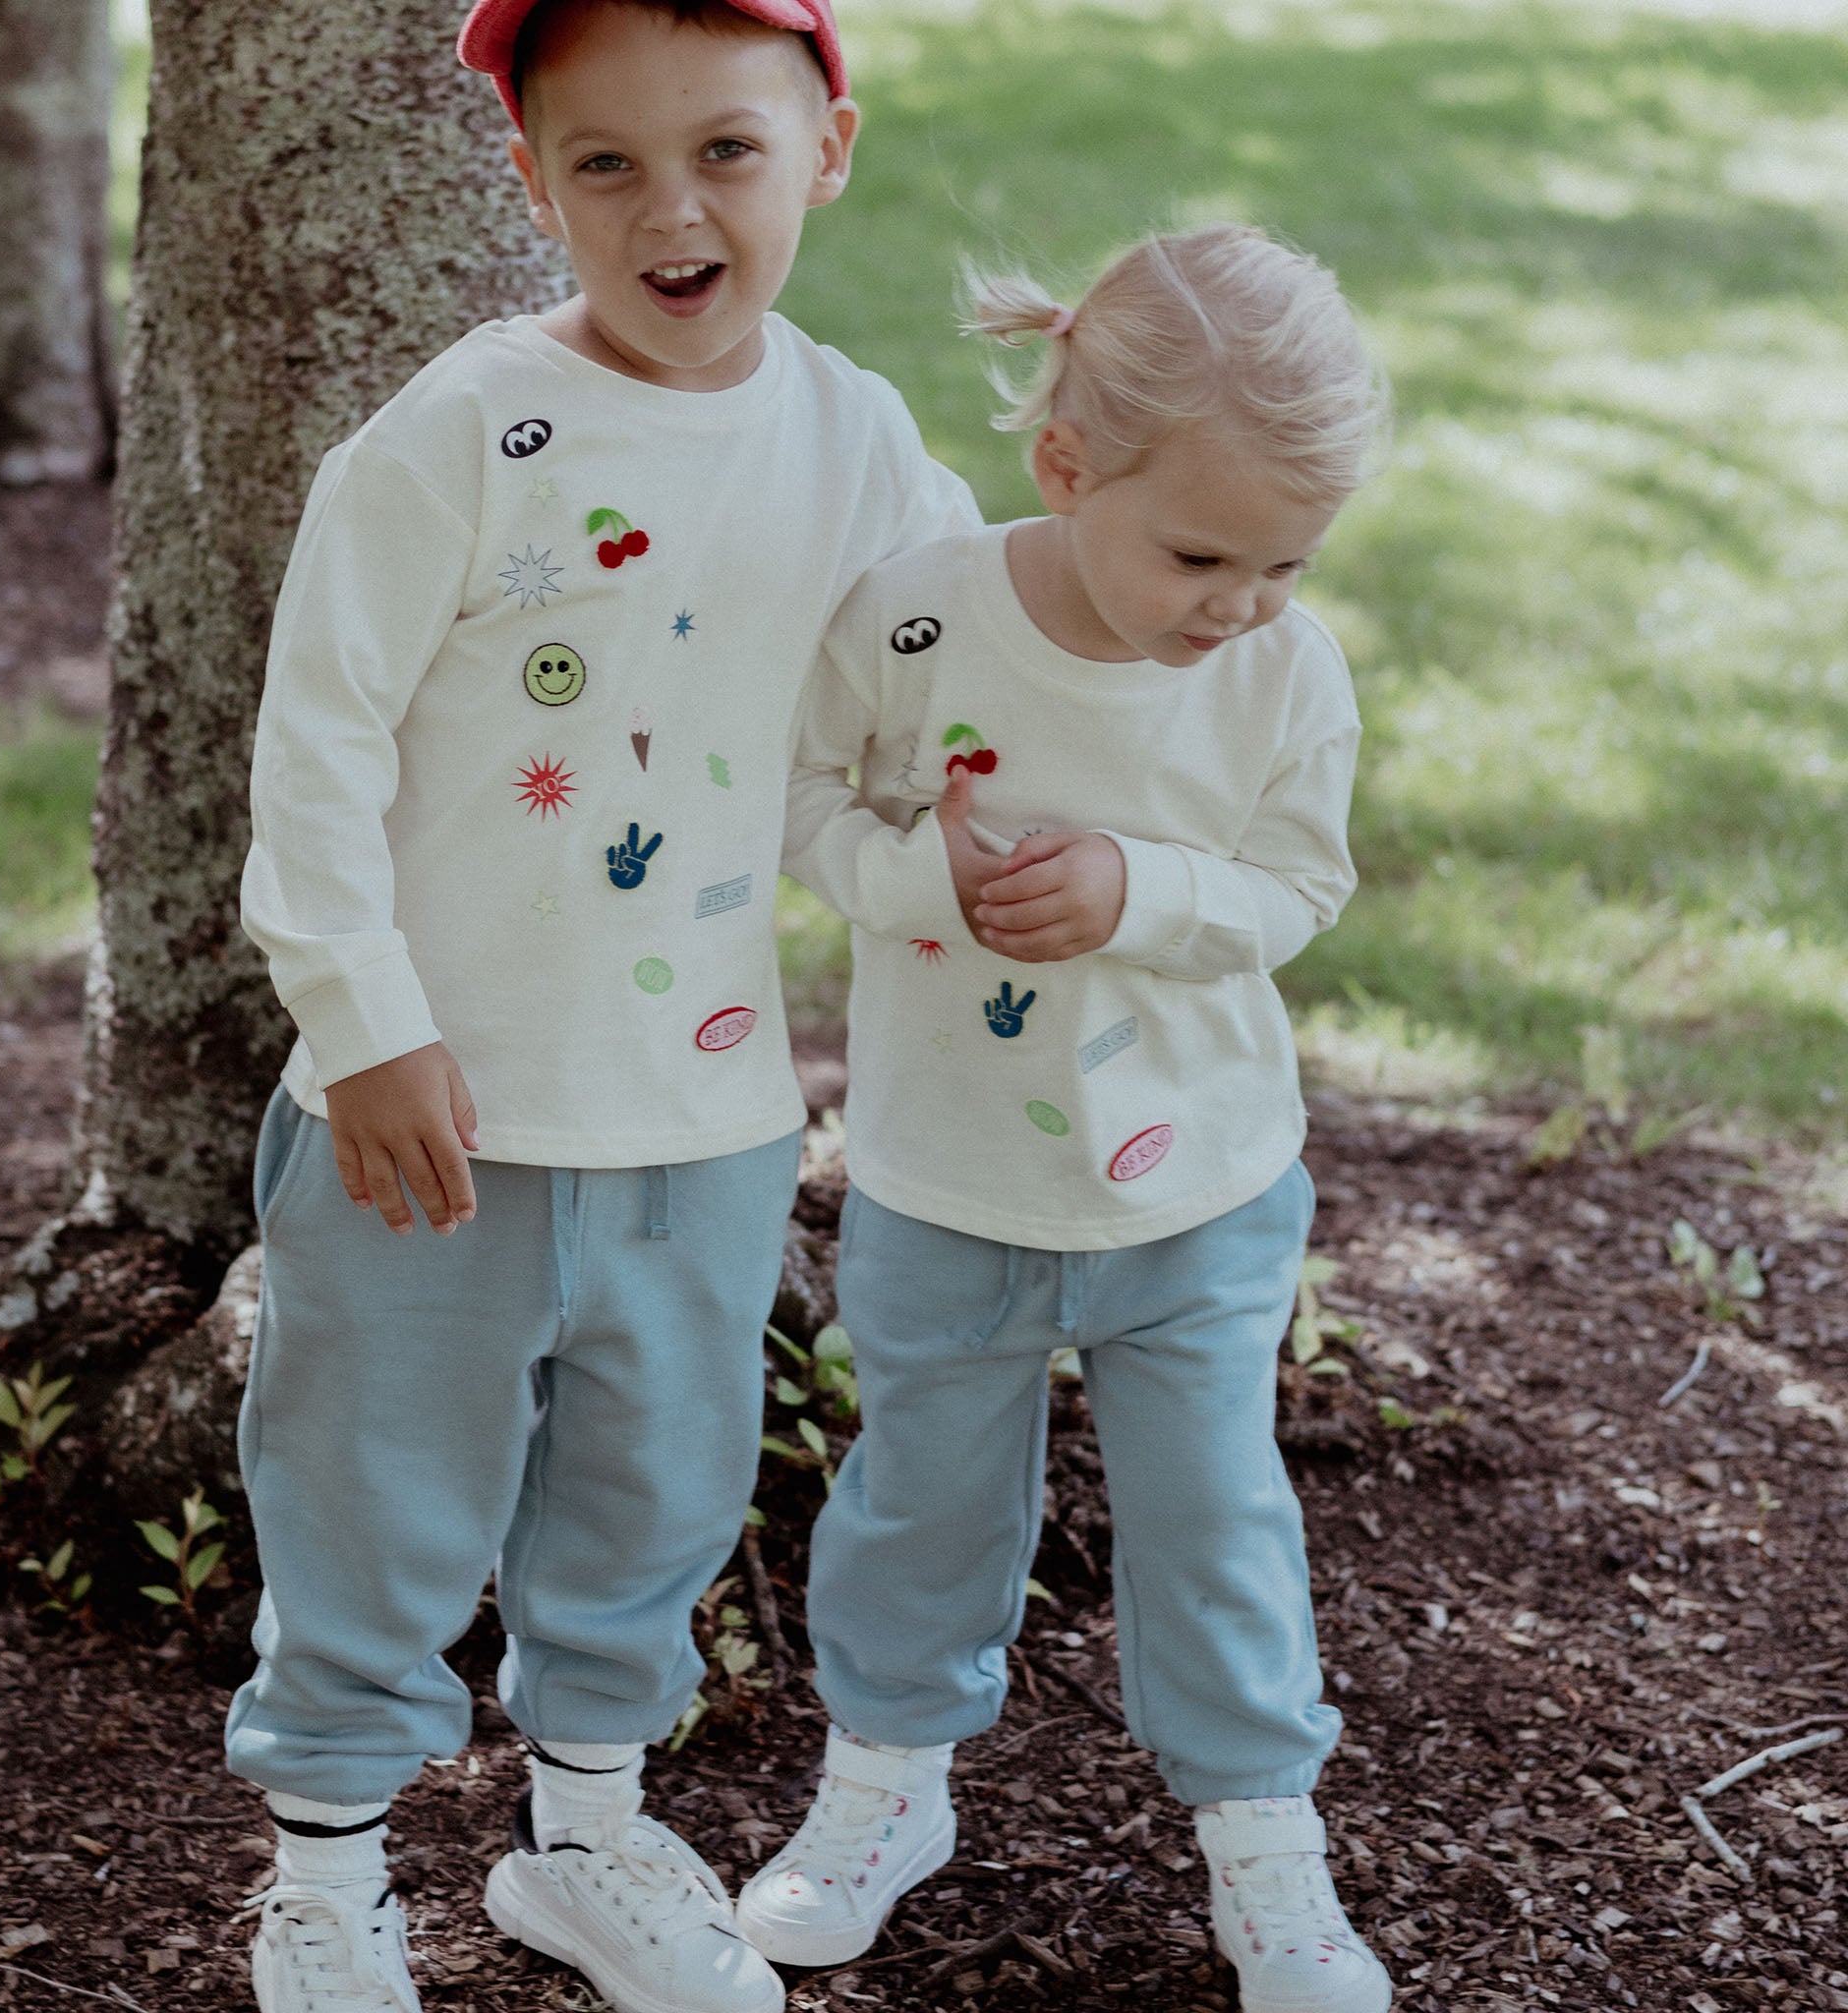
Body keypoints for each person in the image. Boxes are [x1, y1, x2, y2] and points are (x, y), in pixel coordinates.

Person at [230, 2, 978, 2007]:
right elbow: (314, 746)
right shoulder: (460, 434)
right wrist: (362, 1019)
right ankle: (325, 1873)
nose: (672, 207)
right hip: (429, 1117)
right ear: (532, 179)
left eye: (726, 150)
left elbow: (940, 695)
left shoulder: (859, 439)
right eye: (608, 162)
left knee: (652, 1499)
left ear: (828, 146)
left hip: (705, 1120)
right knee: (371, 1498)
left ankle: (585, 1837)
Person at [737, 223, 1395, 2013]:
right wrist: (906, 876)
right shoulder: (923, 614)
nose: (1239, 601)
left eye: (1286, 562)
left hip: (1199, 1191)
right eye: (1201, 554)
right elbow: (800, 798)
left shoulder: (1281, 672)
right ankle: (884, 1791)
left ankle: (1264, 1839)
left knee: (1213, 1516)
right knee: (920, 1499)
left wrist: (1143, 894)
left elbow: (1294, 890)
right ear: (1065, 464)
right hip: (949, 1172)